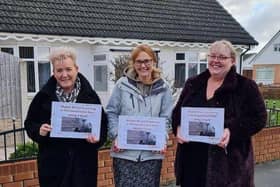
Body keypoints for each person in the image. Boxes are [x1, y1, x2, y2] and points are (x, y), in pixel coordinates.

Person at [172, 40, 267, 187]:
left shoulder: (245, 86)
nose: (216, 61)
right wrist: (178, 126)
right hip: (192, 162)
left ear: (233, 61)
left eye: (222, 57)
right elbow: (178, 112)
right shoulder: (193, 83)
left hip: (228, 167)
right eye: (212, 56)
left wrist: (232, 130)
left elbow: (259, 118)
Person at [24, 47, 108, 187]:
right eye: (59, 70)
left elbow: (102, 126)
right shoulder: (43, 97)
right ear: (53, 72)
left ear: (76, 69)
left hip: (83, 166)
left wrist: (97, 138)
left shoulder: (91, 96)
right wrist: (39, 130)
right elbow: (30, 123)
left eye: (68, 69)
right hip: (53, 167)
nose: (64, 75)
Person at [106, 44, 173, 186]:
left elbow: (166, 118)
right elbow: (112, 112)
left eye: (147, 61)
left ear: (154, 62)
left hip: (151, 155)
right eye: (139, 61)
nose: (143, 65)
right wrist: (116, 135)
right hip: (124, 154)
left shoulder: (164, 88)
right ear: (133, 63)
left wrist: (162, 138)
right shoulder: (121, 85)